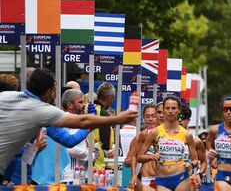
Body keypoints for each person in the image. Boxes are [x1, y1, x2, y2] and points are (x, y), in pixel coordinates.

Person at [0, 68, 137, 182]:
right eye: (54, 92)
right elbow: (72, 137)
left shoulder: (5, 96)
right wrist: (117, 119)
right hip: (25, 177)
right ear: (49, 92)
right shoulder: (42, 110)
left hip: (14, 174)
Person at [93, 83, 116, 169]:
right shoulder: (103, 114)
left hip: (80, 163)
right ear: (110, 98)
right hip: (97, 163)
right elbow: (107, 144)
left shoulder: (86, 108)